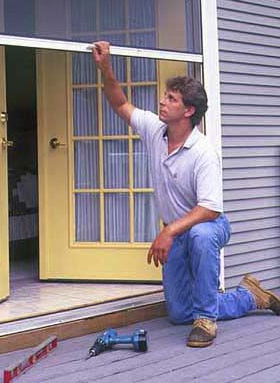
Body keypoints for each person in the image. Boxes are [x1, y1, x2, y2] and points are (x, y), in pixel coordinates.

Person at [91, 41, 280, 348]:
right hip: (177, 229)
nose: (162, 102)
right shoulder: (155, 129)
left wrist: (169, 231)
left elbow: (210, 210)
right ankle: (248, 296)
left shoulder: (203, 151)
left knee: (202, 235)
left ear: (188, 111)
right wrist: (105, 68)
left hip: (209, 224)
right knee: (179, 314)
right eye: (165, 96)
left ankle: (206, 320)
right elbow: (120, 104)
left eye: (171, 99)